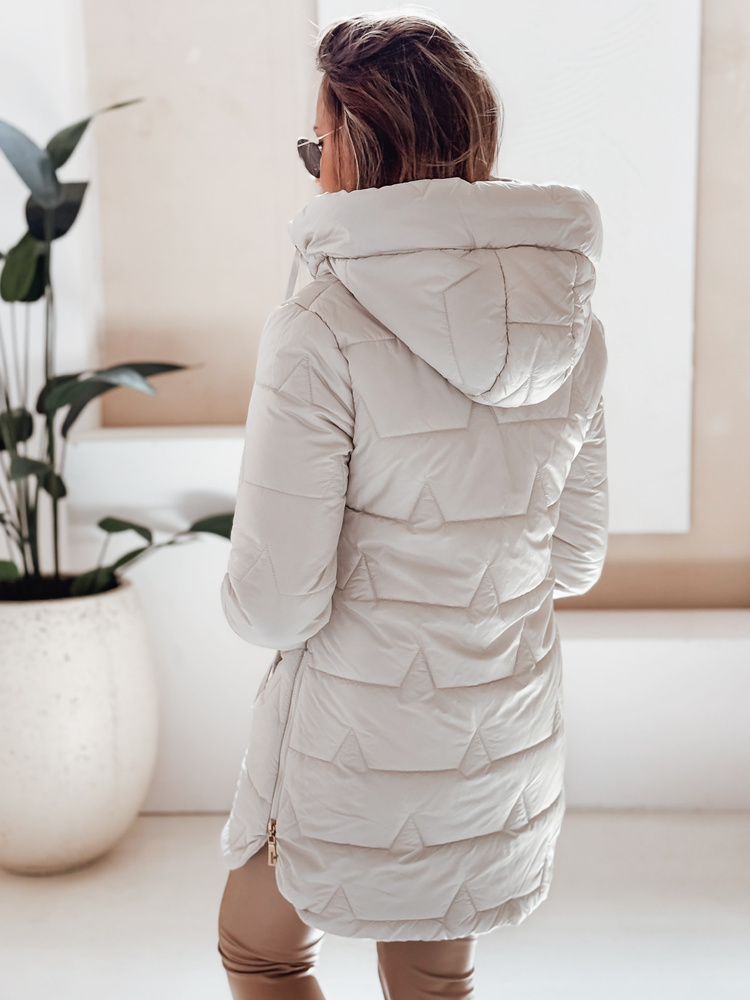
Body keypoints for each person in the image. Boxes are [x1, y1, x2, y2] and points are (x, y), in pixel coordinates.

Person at [216, 10, 608, 1000]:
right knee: (432, 984)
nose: (314, 172)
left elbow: (274, 605)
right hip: (497, 734)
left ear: (354, 147)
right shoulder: (571, 324)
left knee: (261, 951)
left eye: (316, 147)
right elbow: (574, 561)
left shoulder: (320, 324)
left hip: (355, 739)